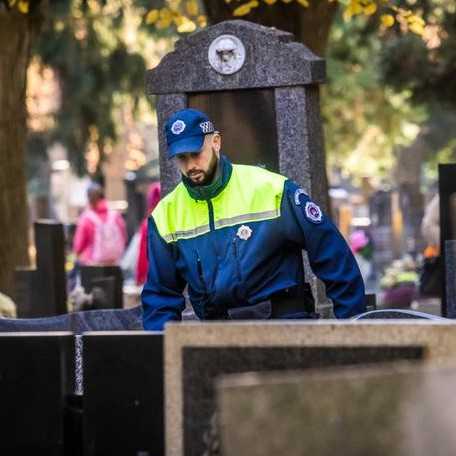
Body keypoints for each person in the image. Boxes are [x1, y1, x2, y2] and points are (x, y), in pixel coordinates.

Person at [141, 109, 365, 330]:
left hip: (285, 329)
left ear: (216, 142)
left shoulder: (272, 189)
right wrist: (161, 354)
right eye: (182, 158)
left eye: (196, 154)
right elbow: (161, 296)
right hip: (217, 338)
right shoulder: (166, 215)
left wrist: (353, 326)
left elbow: (332, 254)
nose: (191, 166)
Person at [73, 182, 127, 266]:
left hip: (92, 264)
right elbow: (124, 236)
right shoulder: (115, 215)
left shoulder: (86, 218)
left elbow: (78, 246)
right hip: (115, 263)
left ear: (88, 198)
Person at [136, 182, 161, 285]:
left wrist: (140, 277)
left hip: (153, 276)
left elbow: (143, 253)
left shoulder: (148, 224)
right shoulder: (176, 219)